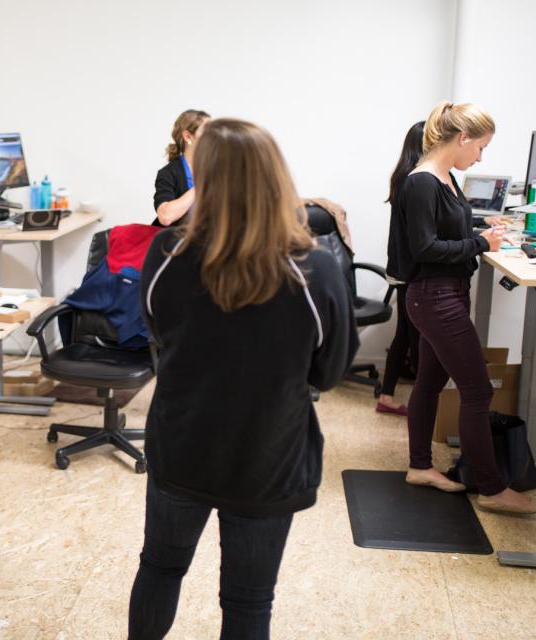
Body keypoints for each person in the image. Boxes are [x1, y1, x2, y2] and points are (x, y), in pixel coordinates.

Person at [129, 119, 358, 639]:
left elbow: (157, 332)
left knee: (161, 568)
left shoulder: (167, 254)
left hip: (183, 446)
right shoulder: (313, 268)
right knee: (249, 601)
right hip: (267, 456)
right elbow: (332, 368)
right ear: (276, 177)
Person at [396, 101, 536, 514]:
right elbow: (424, 247)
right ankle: (493, 489)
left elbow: (451, 226)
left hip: (443, 294)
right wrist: (482, 244)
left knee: (429, 383)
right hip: (435, 297)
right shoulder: (423, 182)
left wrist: (483, 230)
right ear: (462, 139)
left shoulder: (445, 178)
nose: (480, 157)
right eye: (479, 148)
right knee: (477, 391)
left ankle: (419, 467)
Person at [377, 121, 426, 416]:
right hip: (409, 270)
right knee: (416, 337)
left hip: (399, 267)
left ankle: (386, 397)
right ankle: (423, 405)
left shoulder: (403, 176)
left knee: (406, 335)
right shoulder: (417, 181)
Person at [151, 109, 210, 227]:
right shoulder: (168, 173)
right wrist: (201, 186)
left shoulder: (218, 170)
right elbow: (165, 217)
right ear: (188, 136)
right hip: (178, 242)